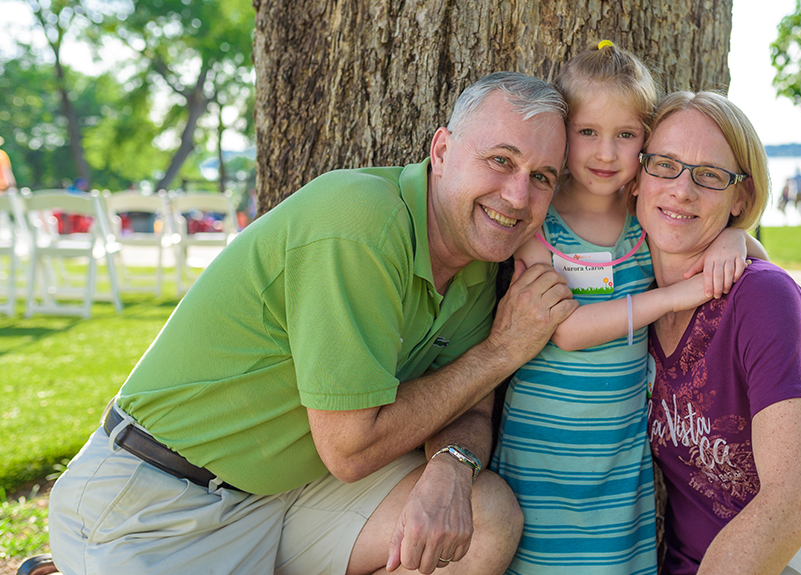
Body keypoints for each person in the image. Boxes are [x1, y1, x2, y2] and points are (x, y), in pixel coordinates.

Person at [48, 72, 579, 575]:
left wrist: (452, 465)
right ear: (441, 151)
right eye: (500, 161)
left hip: (284, 500)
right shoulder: (359, 220)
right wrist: (503, 351)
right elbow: (352, 449)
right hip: (156, 502)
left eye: (541, 177)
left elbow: (472, 399)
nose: (517, 196)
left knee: (486, 513)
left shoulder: (477, 264)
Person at [490, 43, 765, 575]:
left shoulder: (650, 220)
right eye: (587, 132)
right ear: (563, 132)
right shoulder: (538, 223)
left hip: (619, 453)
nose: (605, 153)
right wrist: (678, 295)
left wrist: (736, 237)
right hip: (542, 447)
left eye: (625, 135)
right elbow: (565, 330)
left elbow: (746, 257)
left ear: (646, 141)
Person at [634, 91, 801, 575]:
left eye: (710, 175)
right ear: (638, 176)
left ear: (741, 196)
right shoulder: (631, 305)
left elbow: (791, 505)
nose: (681, 189)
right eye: (665, 165)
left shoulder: (761, 296)